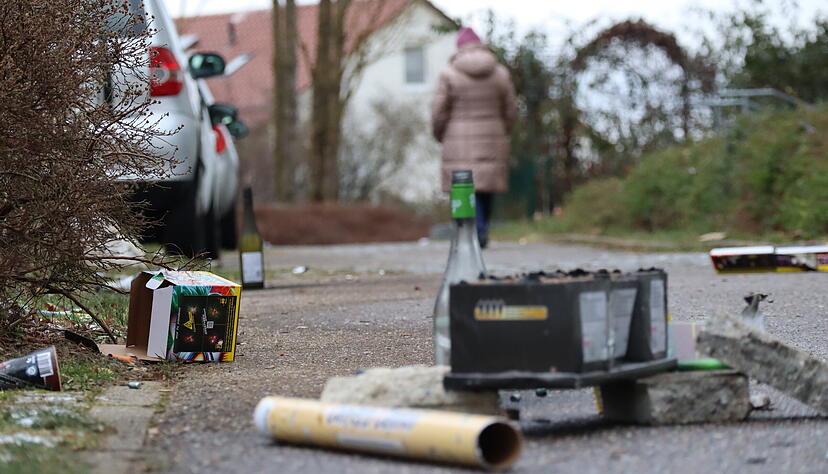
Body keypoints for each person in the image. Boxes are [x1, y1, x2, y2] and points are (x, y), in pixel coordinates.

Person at [431, 27, 517, 248]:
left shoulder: (449, 73)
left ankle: (472, 230)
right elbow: (510, 109)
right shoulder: (500, 73)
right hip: (492, 134)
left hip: (456, 136)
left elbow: (439, 110)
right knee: (487, 185)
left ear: (459, 47)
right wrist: (504, 129)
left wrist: (439, 133)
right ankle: (483, 228)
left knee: (464, 185)